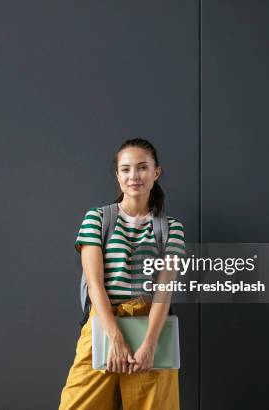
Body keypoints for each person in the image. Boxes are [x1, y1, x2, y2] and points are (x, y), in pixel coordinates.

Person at [59, 138, 185, 410]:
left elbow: (164, 291)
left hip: (151, 326)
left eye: (142, 168)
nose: (134, 176)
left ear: (156, 172)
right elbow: (95, 285)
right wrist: (115, 338)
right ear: (117, 175)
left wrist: (150, 344)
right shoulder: (97, 218)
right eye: (126, 169)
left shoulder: (171, 228)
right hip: (103, 323)